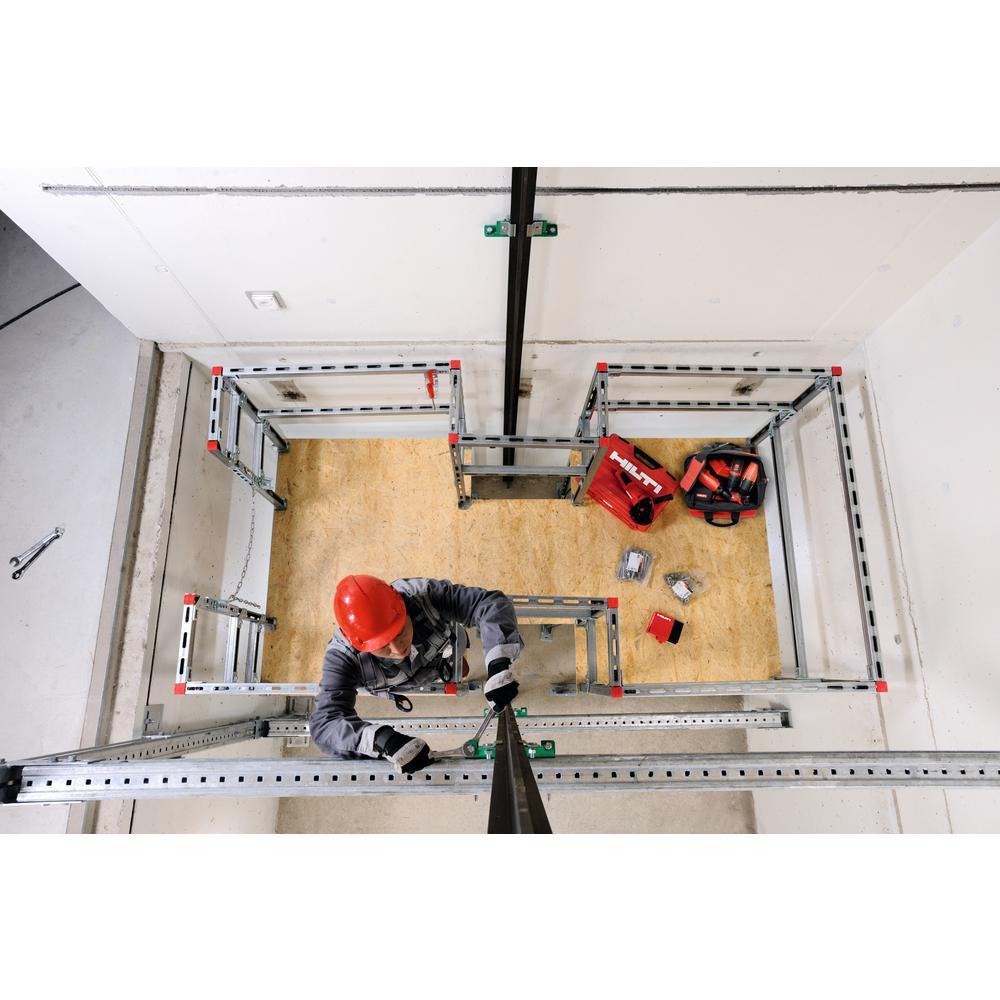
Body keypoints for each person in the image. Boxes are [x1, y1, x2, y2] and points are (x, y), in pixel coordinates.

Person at [309, 575, 523, 774]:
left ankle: (453, 664)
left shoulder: (424, 596)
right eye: (383, 646)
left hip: (438, 656)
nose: (397, 649)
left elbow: (489, 604)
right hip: (396, 683)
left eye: (400, 632)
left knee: (461, 669)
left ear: (402, 607)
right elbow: (325, 725)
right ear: (360, 645)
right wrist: (384, 741)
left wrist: (498, 664)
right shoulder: (343, 657)